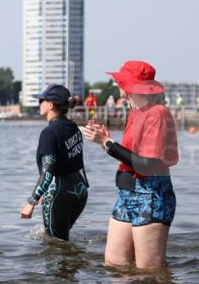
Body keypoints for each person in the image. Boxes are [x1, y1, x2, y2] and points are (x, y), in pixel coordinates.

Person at [81, 61, 178, 270]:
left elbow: (146, 165)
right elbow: (131, 157)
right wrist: (106, 142)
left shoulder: (157, 113)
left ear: (130, 86)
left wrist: (107, 143)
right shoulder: (135, 113)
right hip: (127, 193)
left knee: (149, 271)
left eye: (121, 81)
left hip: (151, 195)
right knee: (114, 264)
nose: (118, 85)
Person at [19, 85, 88, 241]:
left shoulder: (49, 133)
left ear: (50, 105)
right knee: (62, 241)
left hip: (59, 192)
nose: (39, 104)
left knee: (55, 245)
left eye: (41, 101)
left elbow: (48, 172)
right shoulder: (73, 127)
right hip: (80, 190)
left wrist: (31, 202)